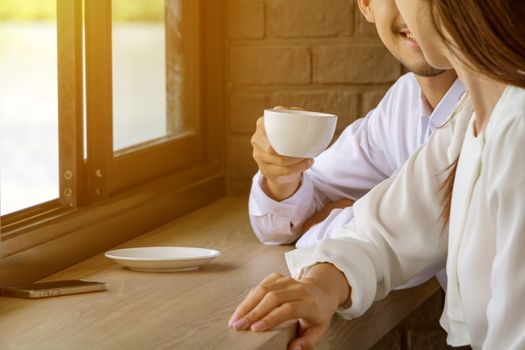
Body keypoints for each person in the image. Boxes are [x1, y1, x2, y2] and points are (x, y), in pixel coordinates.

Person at [230, 0, 525, 349]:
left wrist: (338, 219)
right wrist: (319, 288)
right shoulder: (467, 123)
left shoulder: (516, 127)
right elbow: (385, 236)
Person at [250, 0, 464, 291]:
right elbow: (304, 201)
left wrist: (347, 216)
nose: (417, 10)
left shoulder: (497, 105)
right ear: (366, 4)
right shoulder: (404, 102)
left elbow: (400, 246)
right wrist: (283, 175)